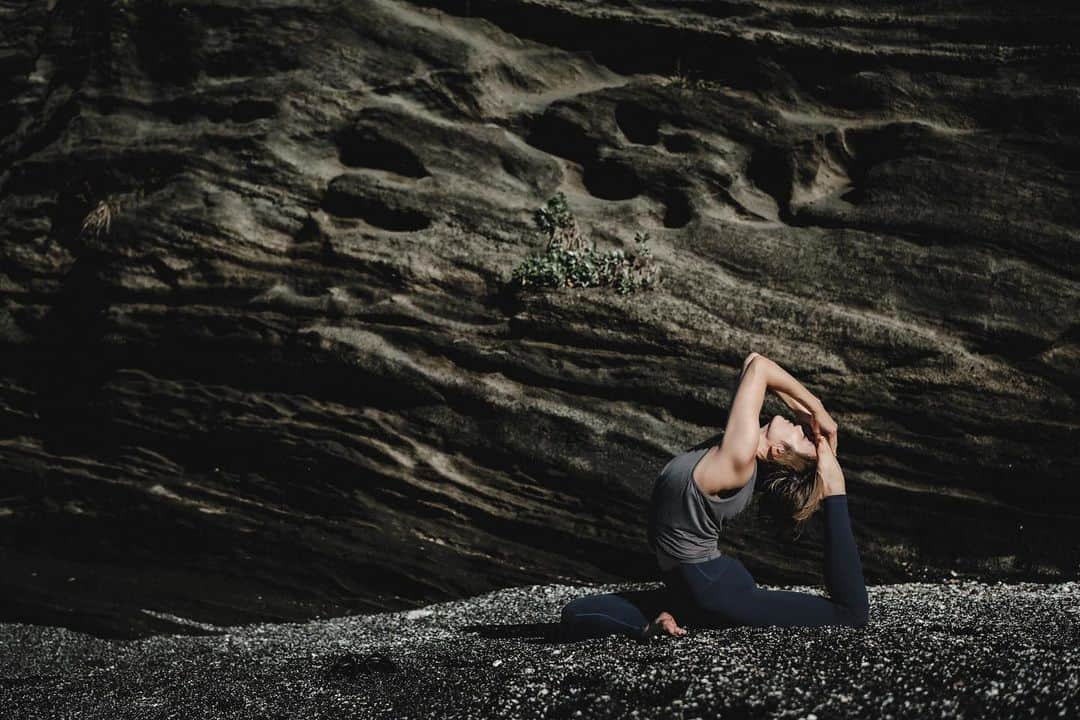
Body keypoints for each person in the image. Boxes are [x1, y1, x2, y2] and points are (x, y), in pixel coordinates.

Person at [559, 352, 870, 642]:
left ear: (778, 452)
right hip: (690, 587)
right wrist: (813, 422)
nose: (802, 427)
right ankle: (664, 620)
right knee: (576, 614)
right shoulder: (740, 445)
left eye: (802, 437)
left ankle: (834, 491)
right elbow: (751, 360)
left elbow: (760, 368)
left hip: (716, 591)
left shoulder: (738, 460)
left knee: (849, 614)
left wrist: (818, 409)